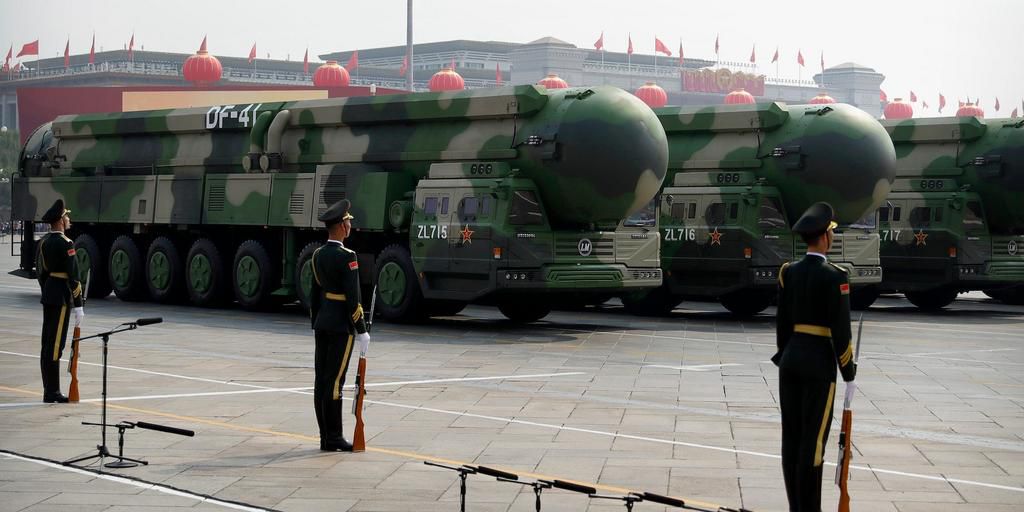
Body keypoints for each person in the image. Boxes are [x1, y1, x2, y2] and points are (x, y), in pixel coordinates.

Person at [773, 202, 857, 512]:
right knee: (814, 440)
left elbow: (782, 324)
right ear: (824, 237)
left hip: (791, 360)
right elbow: (841, 331)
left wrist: (785, 356)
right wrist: (848, 372)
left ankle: (796, 505)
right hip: (819, 364)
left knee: (791, 437)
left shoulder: (788, 272)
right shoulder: (836, 276)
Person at [309, 199, 370, 451]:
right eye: (348, 222)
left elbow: (314, 294)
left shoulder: (317, 255)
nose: (349, 226)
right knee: (335, 382)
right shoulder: (348, 256)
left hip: (322, 322)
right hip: (341, 326)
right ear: (342, 227)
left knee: (321, 381)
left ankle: (325, 436)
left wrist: (316, 321)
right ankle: (334, 437)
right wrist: (362, 328)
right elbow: (353, 298)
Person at [36, 199, 84, 403]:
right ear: (60, 221)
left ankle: (49, 389)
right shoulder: (66, 243)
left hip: (49, 293)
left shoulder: (44, 242)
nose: (68, 219)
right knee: (56, 345)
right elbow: (73, 276)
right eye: (66, 216)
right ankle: (52, 392)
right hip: (61, 297)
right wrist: (79, 305)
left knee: (47, 343)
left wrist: (48, 290)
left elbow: (41, 272)